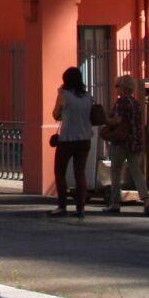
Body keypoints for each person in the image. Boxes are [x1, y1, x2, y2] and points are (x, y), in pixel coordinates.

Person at [48, 66, 95, 218]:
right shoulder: (88, 96)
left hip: (67, 138)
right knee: (79, 173)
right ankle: (80, 207)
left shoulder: (64, 95)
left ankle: (62, 206)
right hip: (85, 138)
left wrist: (59, 93)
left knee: (60, 172)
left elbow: (56, 114)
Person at [103, 74, 149, 214]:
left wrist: (106, 121)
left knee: (116, 170)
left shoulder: (121, 102)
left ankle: (115, 202)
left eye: (117, 86)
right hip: (136, 141)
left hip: (121, 141)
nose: (115, 89)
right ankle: (146, 200)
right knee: (136, 171)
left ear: (123, 88)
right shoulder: (136, 103)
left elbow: (117, 120)